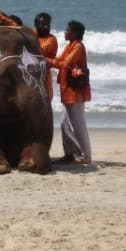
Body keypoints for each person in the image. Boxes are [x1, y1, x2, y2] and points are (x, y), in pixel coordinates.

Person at [47, 20, 92, 165]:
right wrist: (44, 59)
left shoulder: (78, 47)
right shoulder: (69, 46)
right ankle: (70, 154)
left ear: (74, 33)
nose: (65, 32)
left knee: (78, 125)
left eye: (68, 30)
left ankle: (87, 157)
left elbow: (64, 64)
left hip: (76, 91)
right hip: (67, 90)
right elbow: (58, 60)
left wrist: (43, 59)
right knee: (64, 124)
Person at [34, 12, 58, 100]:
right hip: (30, 76)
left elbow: (39, 51)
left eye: (48, 24)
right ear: (36, 25)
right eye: (43, 24)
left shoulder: (51, 40)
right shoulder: (32, 34)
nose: (46, 27)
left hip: (44, 78)